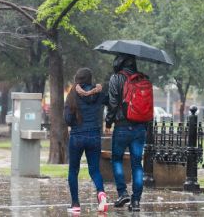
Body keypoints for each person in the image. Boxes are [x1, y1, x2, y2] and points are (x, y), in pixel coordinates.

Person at [105, 54, 150, 212]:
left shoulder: (116, 78)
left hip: (122, 126)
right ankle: (136, 201)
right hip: (140, 128)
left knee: (116, 159)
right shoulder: (143, 79)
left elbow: (113, 103)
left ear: (119, 62)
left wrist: (108, 122)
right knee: (137, 165)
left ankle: (122, 192)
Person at [64, 68, 108, 213]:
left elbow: (68, 120)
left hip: (77, 136)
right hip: (94, 135)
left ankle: (75, 204)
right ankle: (101, 193)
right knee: (94, 169)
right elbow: (111, 102)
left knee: (73, 170)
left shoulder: (72, 94)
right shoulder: (99, 93)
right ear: (90, 79)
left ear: (77, 79)